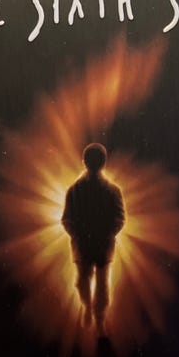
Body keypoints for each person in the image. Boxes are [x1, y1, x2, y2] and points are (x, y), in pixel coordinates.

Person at [61, 143, 125, 335]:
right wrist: (79, 234)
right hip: (88, 243)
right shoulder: (77, 190)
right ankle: (90, 309)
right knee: (85, 280)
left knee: (99, 282)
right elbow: (66, 219)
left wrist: (106, 233)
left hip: (98, 244)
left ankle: (98, 317)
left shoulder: (79, 190)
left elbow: (119, 218)